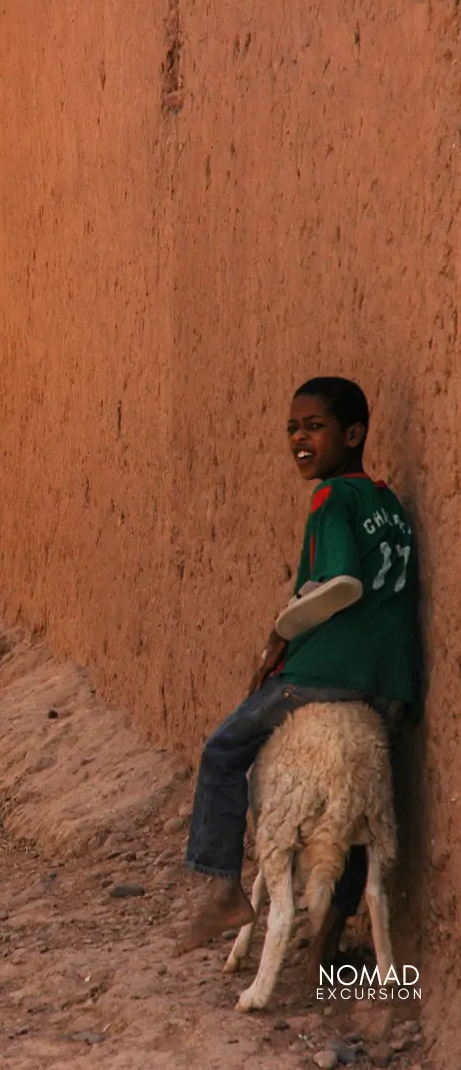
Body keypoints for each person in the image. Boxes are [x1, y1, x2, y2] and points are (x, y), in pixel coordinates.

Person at [178, 377, 420, 961]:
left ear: (354, 433)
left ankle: (221, 888)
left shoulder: (332, 498)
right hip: (391, 685)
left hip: (326, 674)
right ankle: (329, 942)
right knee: (354, 803)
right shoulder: (387, 502)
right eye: (292, 428)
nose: (299, 439)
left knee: (222, 752)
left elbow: (337, 584)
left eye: (314, 427)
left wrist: (277, 637)